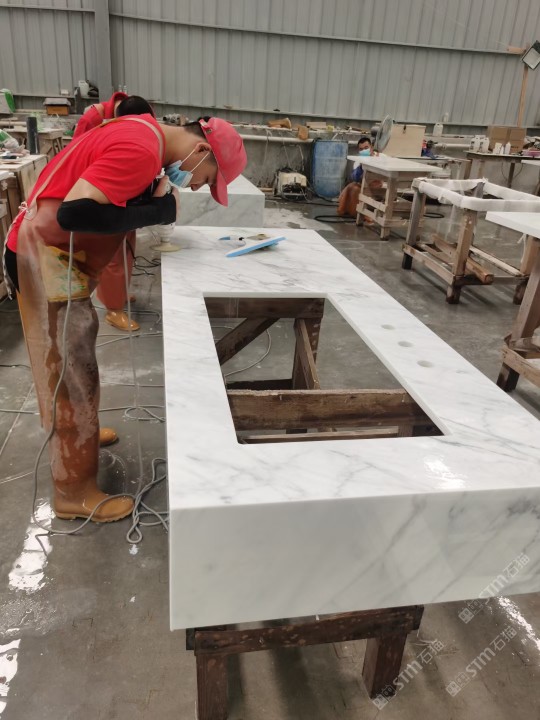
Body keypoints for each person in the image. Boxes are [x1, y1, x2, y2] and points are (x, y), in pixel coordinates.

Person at [3, 114, 246, 522]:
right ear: (201, 150)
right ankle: (73, 491)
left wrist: (151, 201)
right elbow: (74, 214)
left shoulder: (142, 135)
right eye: (207, 179)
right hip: (46, 257)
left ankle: (81, 437)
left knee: (74, 365)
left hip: (53, 255)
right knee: (72, 380)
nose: (198, 186)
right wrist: (157, 211)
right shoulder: (141, 148)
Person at [75, 94, 157, 332]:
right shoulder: (93, 119)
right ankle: (114, 309)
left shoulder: (136, 111)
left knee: (128, 247)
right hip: (103, 193)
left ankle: (118, 293)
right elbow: (78, 156)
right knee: (112, 254)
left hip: (125, 189)